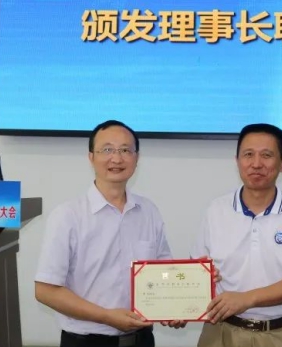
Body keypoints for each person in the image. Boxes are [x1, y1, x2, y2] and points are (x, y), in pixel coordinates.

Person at [35, 119, 180, 347]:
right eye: (107, 150)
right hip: (86, 342)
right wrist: (106, 316)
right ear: (91, 157)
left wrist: (179, 302)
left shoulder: (148, 211)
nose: (117, 158)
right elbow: (45, 290)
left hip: (141, 340)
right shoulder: (67, 215)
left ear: (137, 158)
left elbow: (164, 274)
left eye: (125, 150)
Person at [191, 123, 282, 347]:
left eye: (266, 155)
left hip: (275, 335)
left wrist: (246, 299)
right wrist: (198, 282)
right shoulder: (216, 210)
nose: (256, 164)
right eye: (248, 154)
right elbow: (196, 272)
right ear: (237, 161)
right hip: (219, 332)